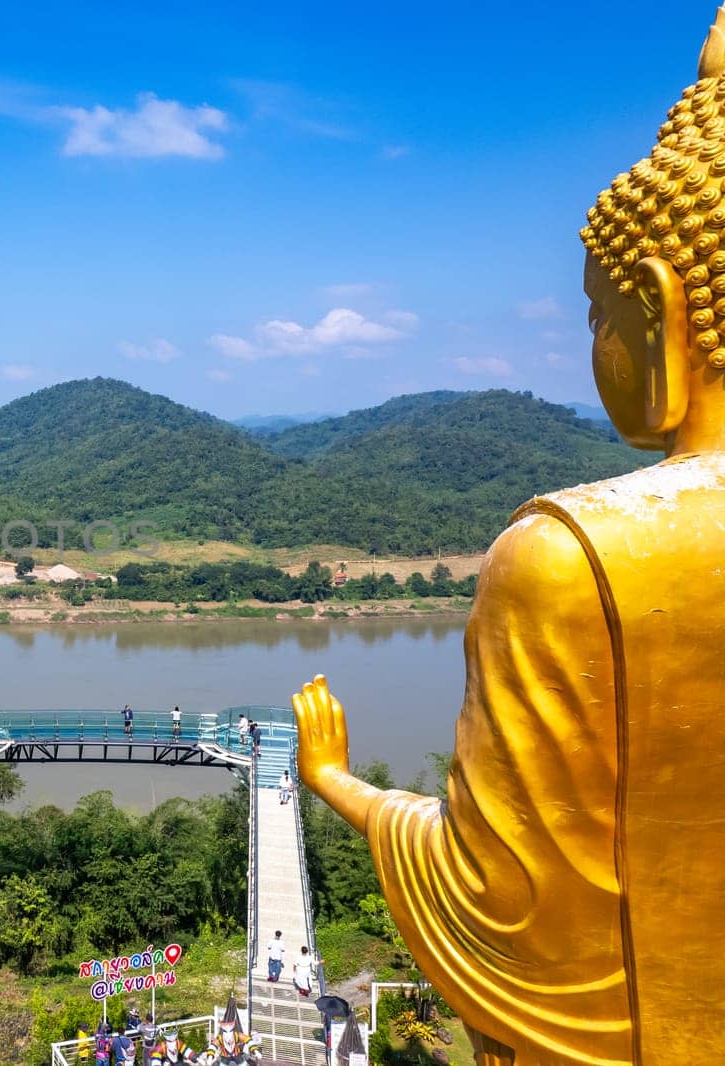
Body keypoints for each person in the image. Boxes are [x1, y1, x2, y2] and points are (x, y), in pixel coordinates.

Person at [292, 21, 725, 1059]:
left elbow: (503, 906)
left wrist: (334, 783)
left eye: (596, 314)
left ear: (662, 310)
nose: (596, 343)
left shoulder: (578, 557)